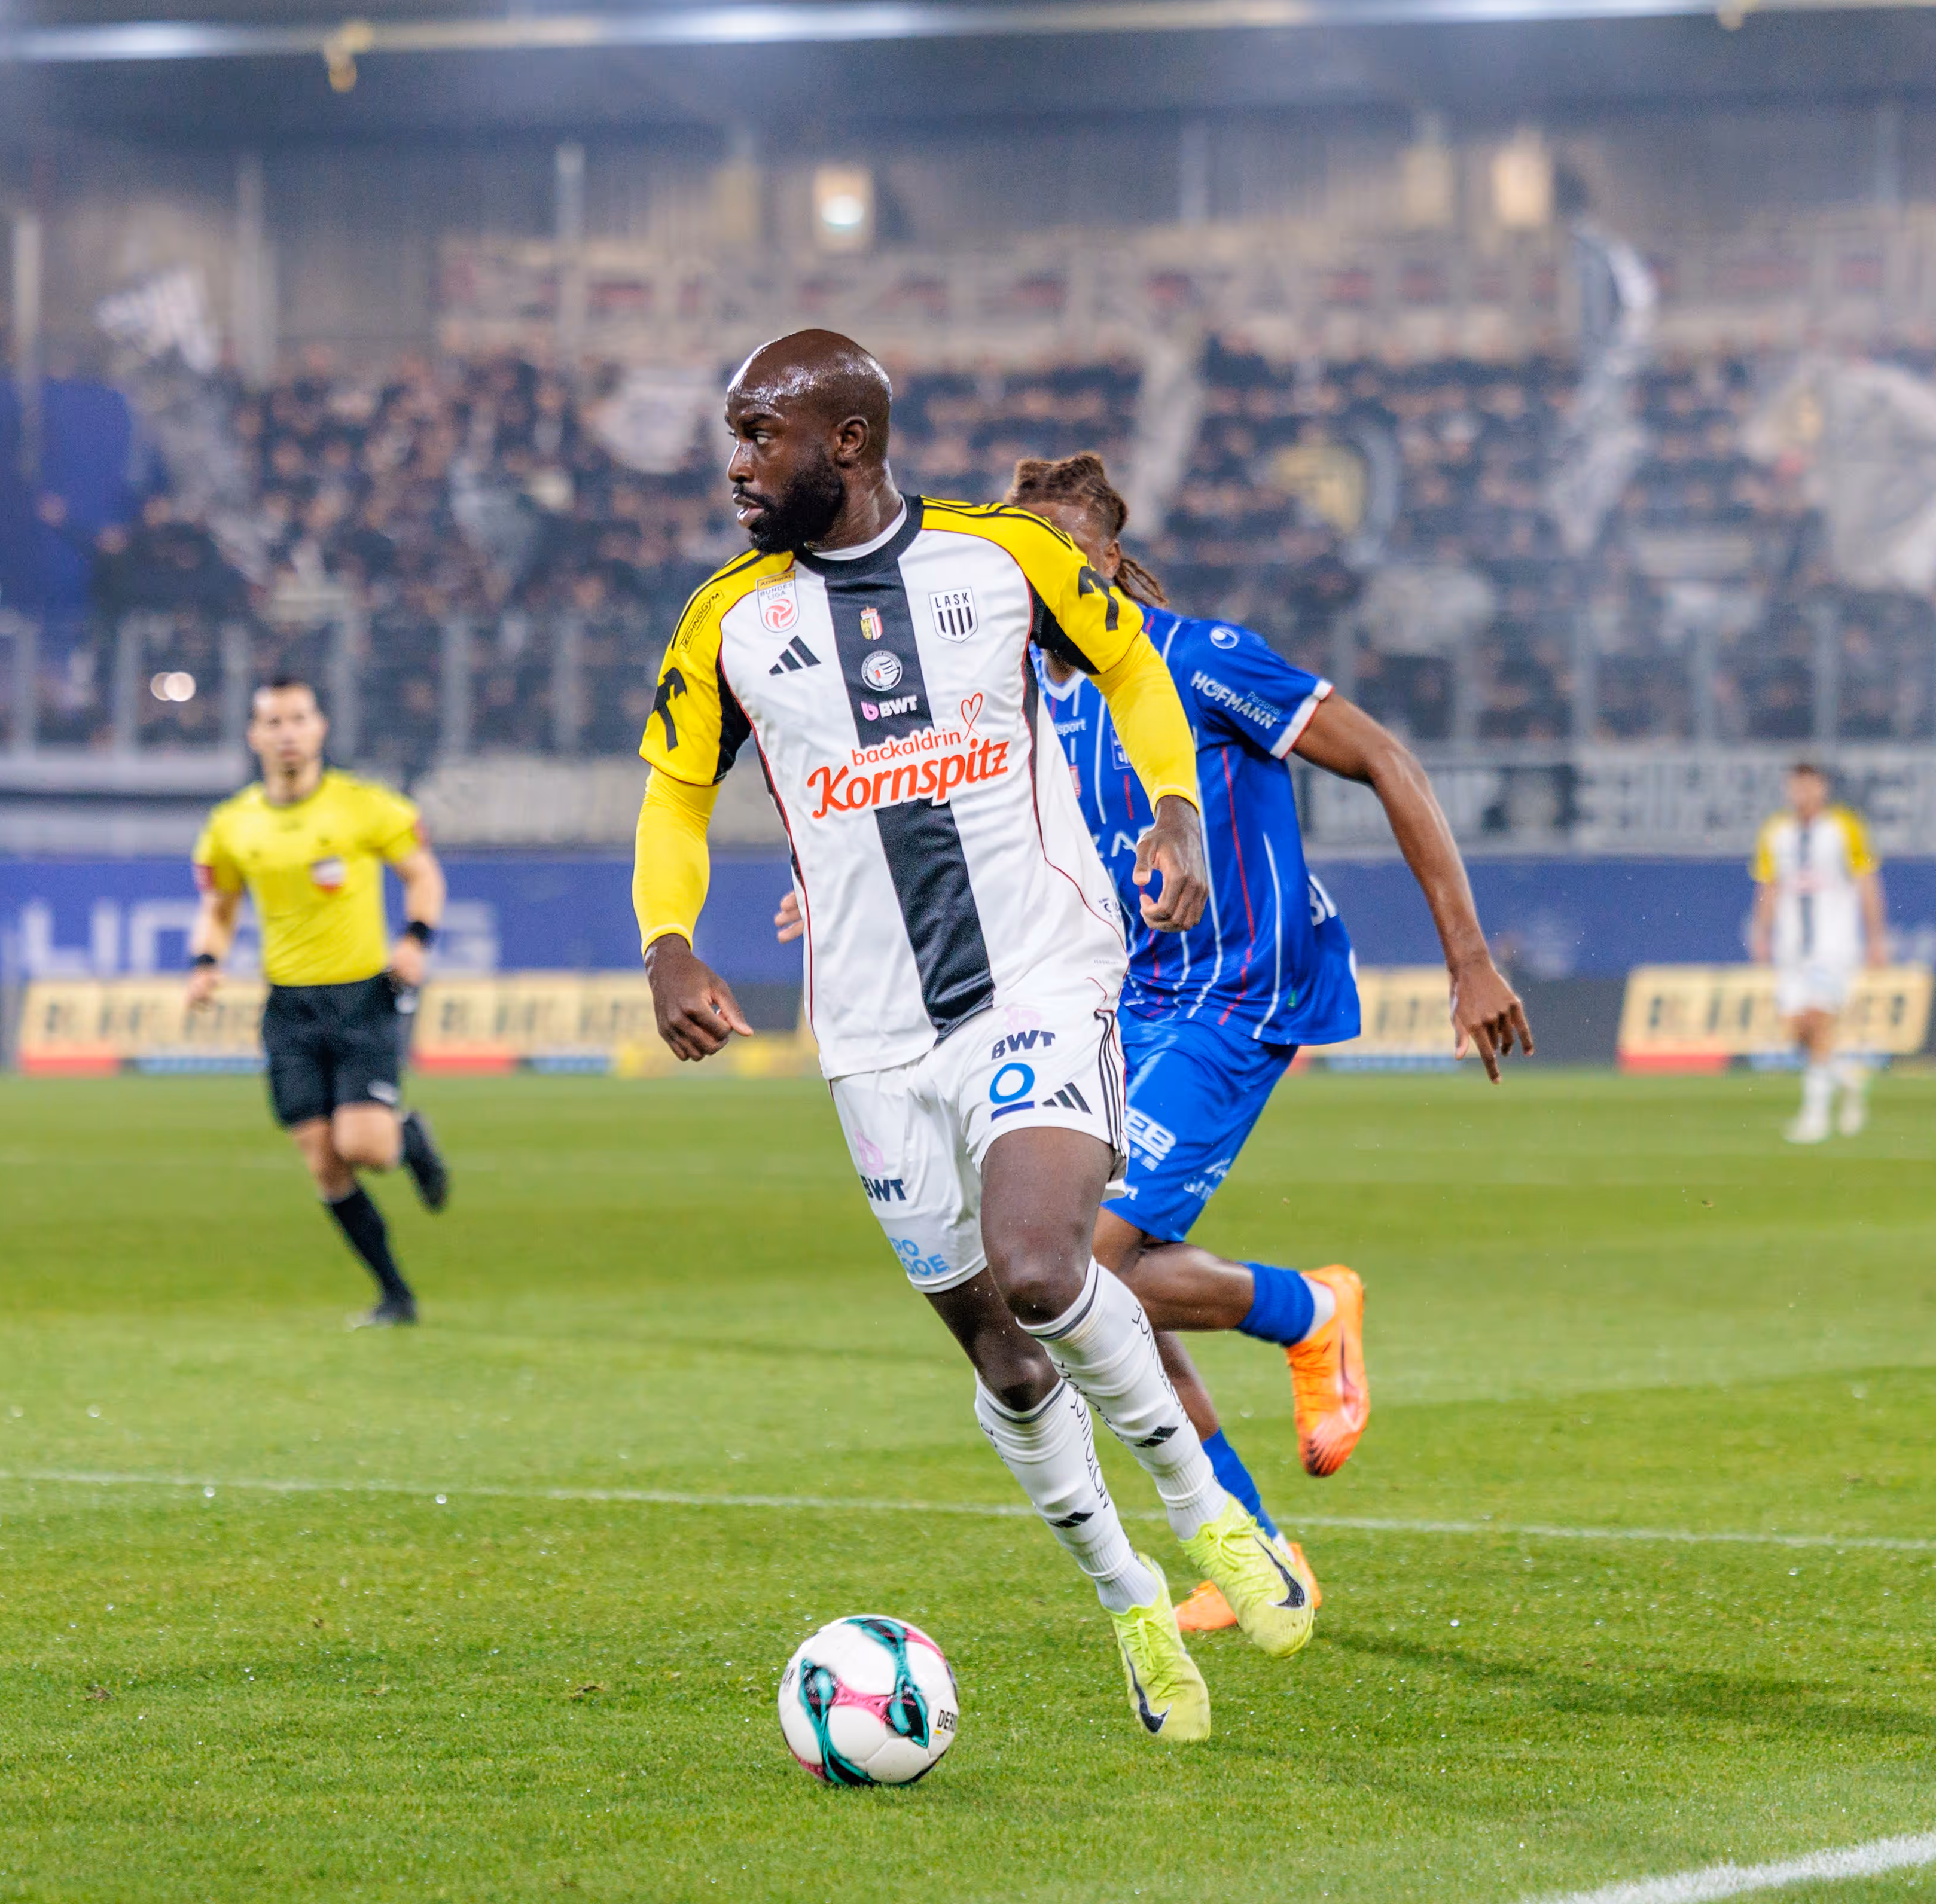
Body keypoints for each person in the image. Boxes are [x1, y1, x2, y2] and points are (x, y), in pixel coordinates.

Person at [634, 330, 1309, 1746]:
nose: (737, 465)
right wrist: (668, 938)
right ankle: (1130, 1596)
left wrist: (1177, 809)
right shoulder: (727, 622)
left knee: (1045, 1266)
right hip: (871, 1032)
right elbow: (677, 794)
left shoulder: (1005, 556)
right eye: (734, 436)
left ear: (850, 442)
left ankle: (1208, 1515)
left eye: (760, 435)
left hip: (1039, 976)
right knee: (999, 1351)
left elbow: (1132, 667)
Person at [783, 451, 1530, 1634]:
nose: (1045, 580)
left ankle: (1305, 1313)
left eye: (1068, 559)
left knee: (1079, 1265)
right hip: (1110, 998)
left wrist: (1469, 957)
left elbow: (1389, 759)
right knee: (1070, 1285)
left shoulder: (1199, 660)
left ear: (1110, 562)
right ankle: (1259, 1549)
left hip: (1237, 990)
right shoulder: (1014, 700)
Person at [187, 676, 452, 1329]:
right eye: (274, 722)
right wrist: (205, 965)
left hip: (362, 998)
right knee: (323, 1160)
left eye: (299, 718)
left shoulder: (365, 806)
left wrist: (416, 939)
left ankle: (408, 1137)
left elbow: (422, 874)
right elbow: (218, 907)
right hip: (289, 1009)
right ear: (254, 735)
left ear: (320, 727)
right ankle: (395, 1295)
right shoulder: (231, 825)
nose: (288, 733)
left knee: (366, 1148)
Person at [1752, 762, 1888, 1142]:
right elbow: (1769, 885)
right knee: (1797, 1031)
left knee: (1818, 1019)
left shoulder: (1844, 827)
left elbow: (1867, 882)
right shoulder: (1776, 832)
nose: (1803, 794)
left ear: (1823, 788)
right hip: (1791, 947)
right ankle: (1847, 1077)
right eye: (1797, 786)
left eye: (1810, 786)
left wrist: (1876, 937)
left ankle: (1816, 1117)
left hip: (1834, 945)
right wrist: (1761, 932)